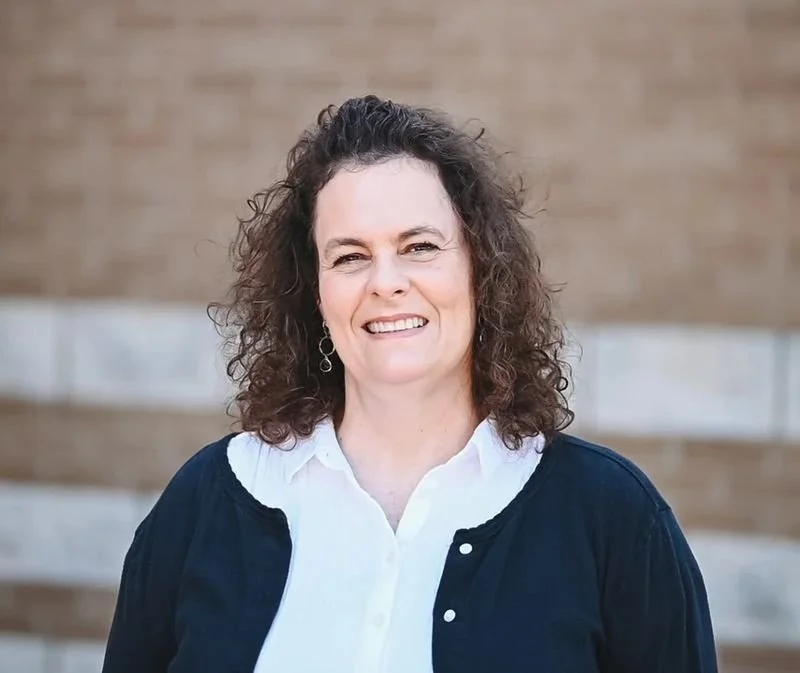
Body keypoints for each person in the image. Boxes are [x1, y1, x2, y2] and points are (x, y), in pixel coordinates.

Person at [102, 95, 718, 673]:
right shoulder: (206, 503)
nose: (386, 281)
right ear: (313, 292)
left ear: (481, 270)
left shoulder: (611, 517)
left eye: (419, 246)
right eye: (349, 256)